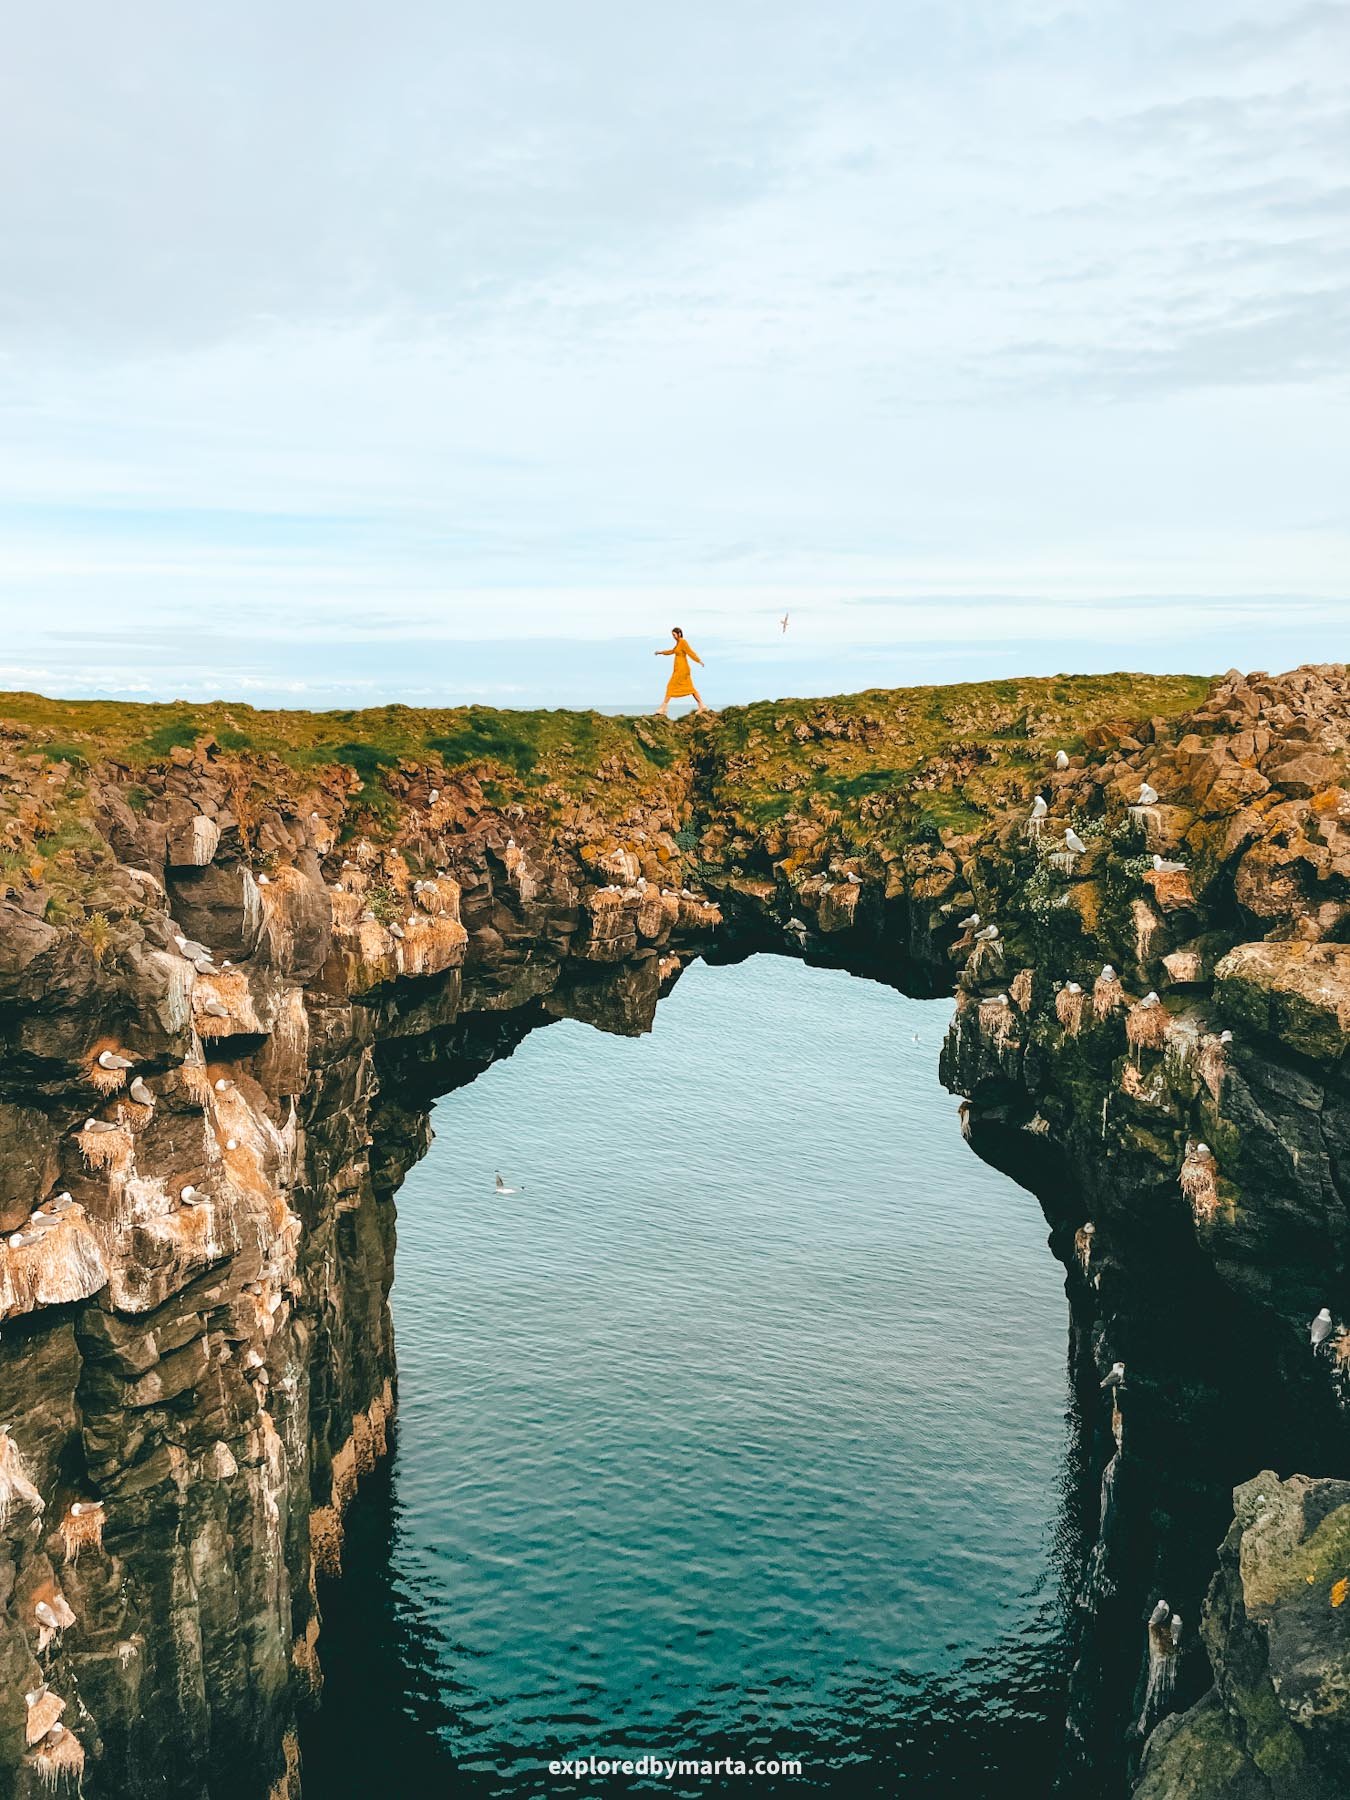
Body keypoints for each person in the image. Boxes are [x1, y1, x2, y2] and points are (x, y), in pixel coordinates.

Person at [654, 627, 706, 716]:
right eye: (672, 635)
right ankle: (702, 706)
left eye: (674, 635)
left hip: (683, 670)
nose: (673, 637)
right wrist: (661, 652)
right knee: (691, 688)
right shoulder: (678, 643)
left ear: (679, 634)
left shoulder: (683, 642)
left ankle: (663, 708)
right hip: (678, 669)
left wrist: (699, 660)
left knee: (670, 686)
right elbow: (672, 651)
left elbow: (690, 652)